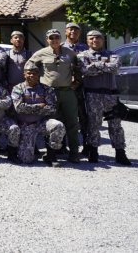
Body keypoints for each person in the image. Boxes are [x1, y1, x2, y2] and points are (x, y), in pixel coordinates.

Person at [27, 29, 82, 162]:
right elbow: (29, 66)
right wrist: (36, 84)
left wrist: (77, 82)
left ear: (60, 38)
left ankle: (74, 152)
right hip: (49, 92)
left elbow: (78, 67)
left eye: (56, 37)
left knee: (72, 123)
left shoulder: (70, 53)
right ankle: (52, 153)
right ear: (47, 40)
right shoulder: (41, 53)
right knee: (50, 123)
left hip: (67, 92)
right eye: (51, 38)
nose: (54, 40)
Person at [79, 30, 131, 165]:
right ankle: (93, 151)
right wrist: (104, 65)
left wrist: (95, 64)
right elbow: (85, 70)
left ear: (103, 40)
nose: (94, 40)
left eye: (97, 38)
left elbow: (114, 68)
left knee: (115, 125)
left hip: (110, 95)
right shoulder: (82, 55)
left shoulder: (112, 54)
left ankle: (120, 152)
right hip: (92, 94)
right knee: (94, 124)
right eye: (91, 38)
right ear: (87, 41)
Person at [11, 62, 66, 166]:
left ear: (39, 75)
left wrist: (29, 107)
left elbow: (52, 108)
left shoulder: (46, 89)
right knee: (26, 160)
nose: (31, 75)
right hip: (26, 125)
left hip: (42, 123)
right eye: (29, 73)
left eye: (35, 73)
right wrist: (39, 106)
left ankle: (50, 155)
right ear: (24, 74)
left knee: (58, 126)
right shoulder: (18, 88)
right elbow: (19, 108)